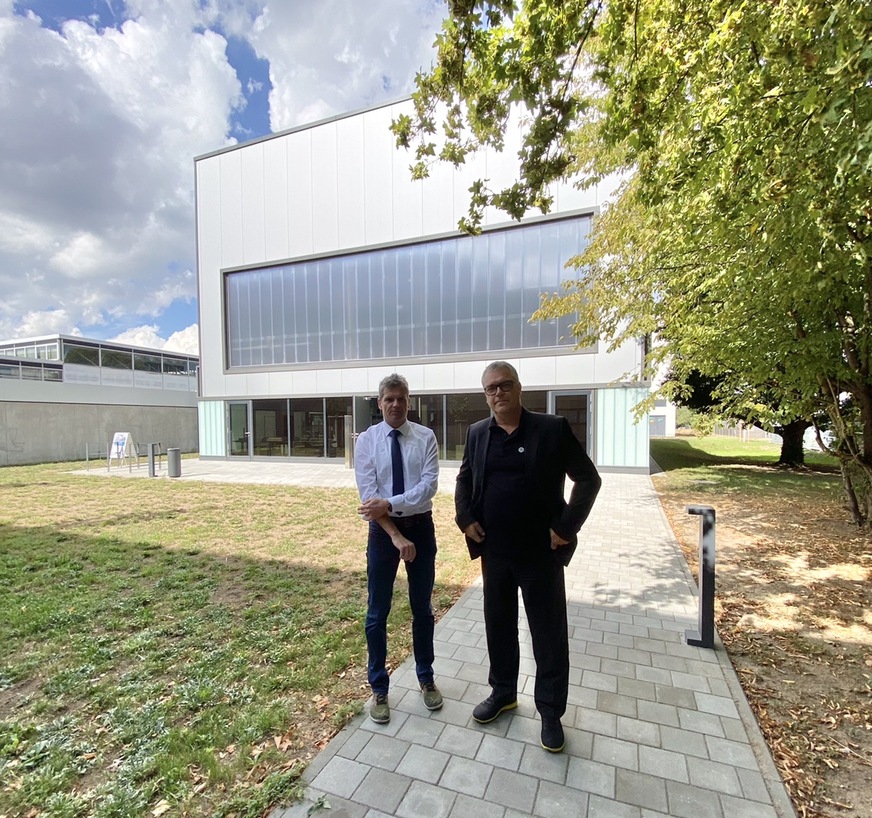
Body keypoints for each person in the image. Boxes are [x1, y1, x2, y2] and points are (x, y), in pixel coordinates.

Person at [455, 361, 601, 752]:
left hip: (541, 553)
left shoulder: (551, 429)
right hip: (496, 553)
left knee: (548, 633)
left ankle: (551, 712)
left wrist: (566, 527)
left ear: (519, 388)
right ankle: (503, 692)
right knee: (498, 626)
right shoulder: (477, 433)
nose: (497, 393)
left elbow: (588, 478)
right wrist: (464, 517)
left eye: (504, 385)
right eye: (490, 389)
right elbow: (465, 478)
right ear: (485, 395)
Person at [355, 373, 442, 723]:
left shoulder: (426, 438)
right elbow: (367, 499)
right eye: (388, 398)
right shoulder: (367, 441)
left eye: (401, 398)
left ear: (409, 401)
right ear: (379, 403)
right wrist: (394, 533)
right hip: (383, 535)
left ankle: (426, 677)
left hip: (421, 529)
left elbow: (428, 488)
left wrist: (388, 505)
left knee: (422, 608)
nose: (395, 404)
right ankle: (379, 688)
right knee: (377, 612)